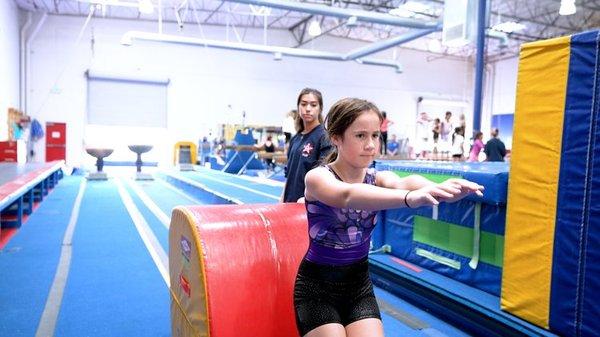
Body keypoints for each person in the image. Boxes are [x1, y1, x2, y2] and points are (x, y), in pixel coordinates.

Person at [294, 97, 484, 337]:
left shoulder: (378, 177)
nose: (371, 145)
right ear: (336, 138)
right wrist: (409, 198)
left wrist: (439, 188)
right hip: (317, 288)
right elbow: (347, 195)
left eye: (375, 135)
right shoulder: (318, 177)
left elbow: (405, 182)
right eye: (360, 136)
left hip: (357, 286)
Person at [282, 88, 332, 203]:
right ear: (298, 107)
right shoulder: (295, 139)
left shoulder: (324, 137)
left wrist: (309, 200)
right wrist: (282, 200)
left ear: (320, 109)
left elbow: (326, 177)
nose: (308, 109)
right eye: (303, 104)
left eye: (313, 105)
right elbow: (288, 176)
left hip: (309, 204)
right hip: (290, 203)